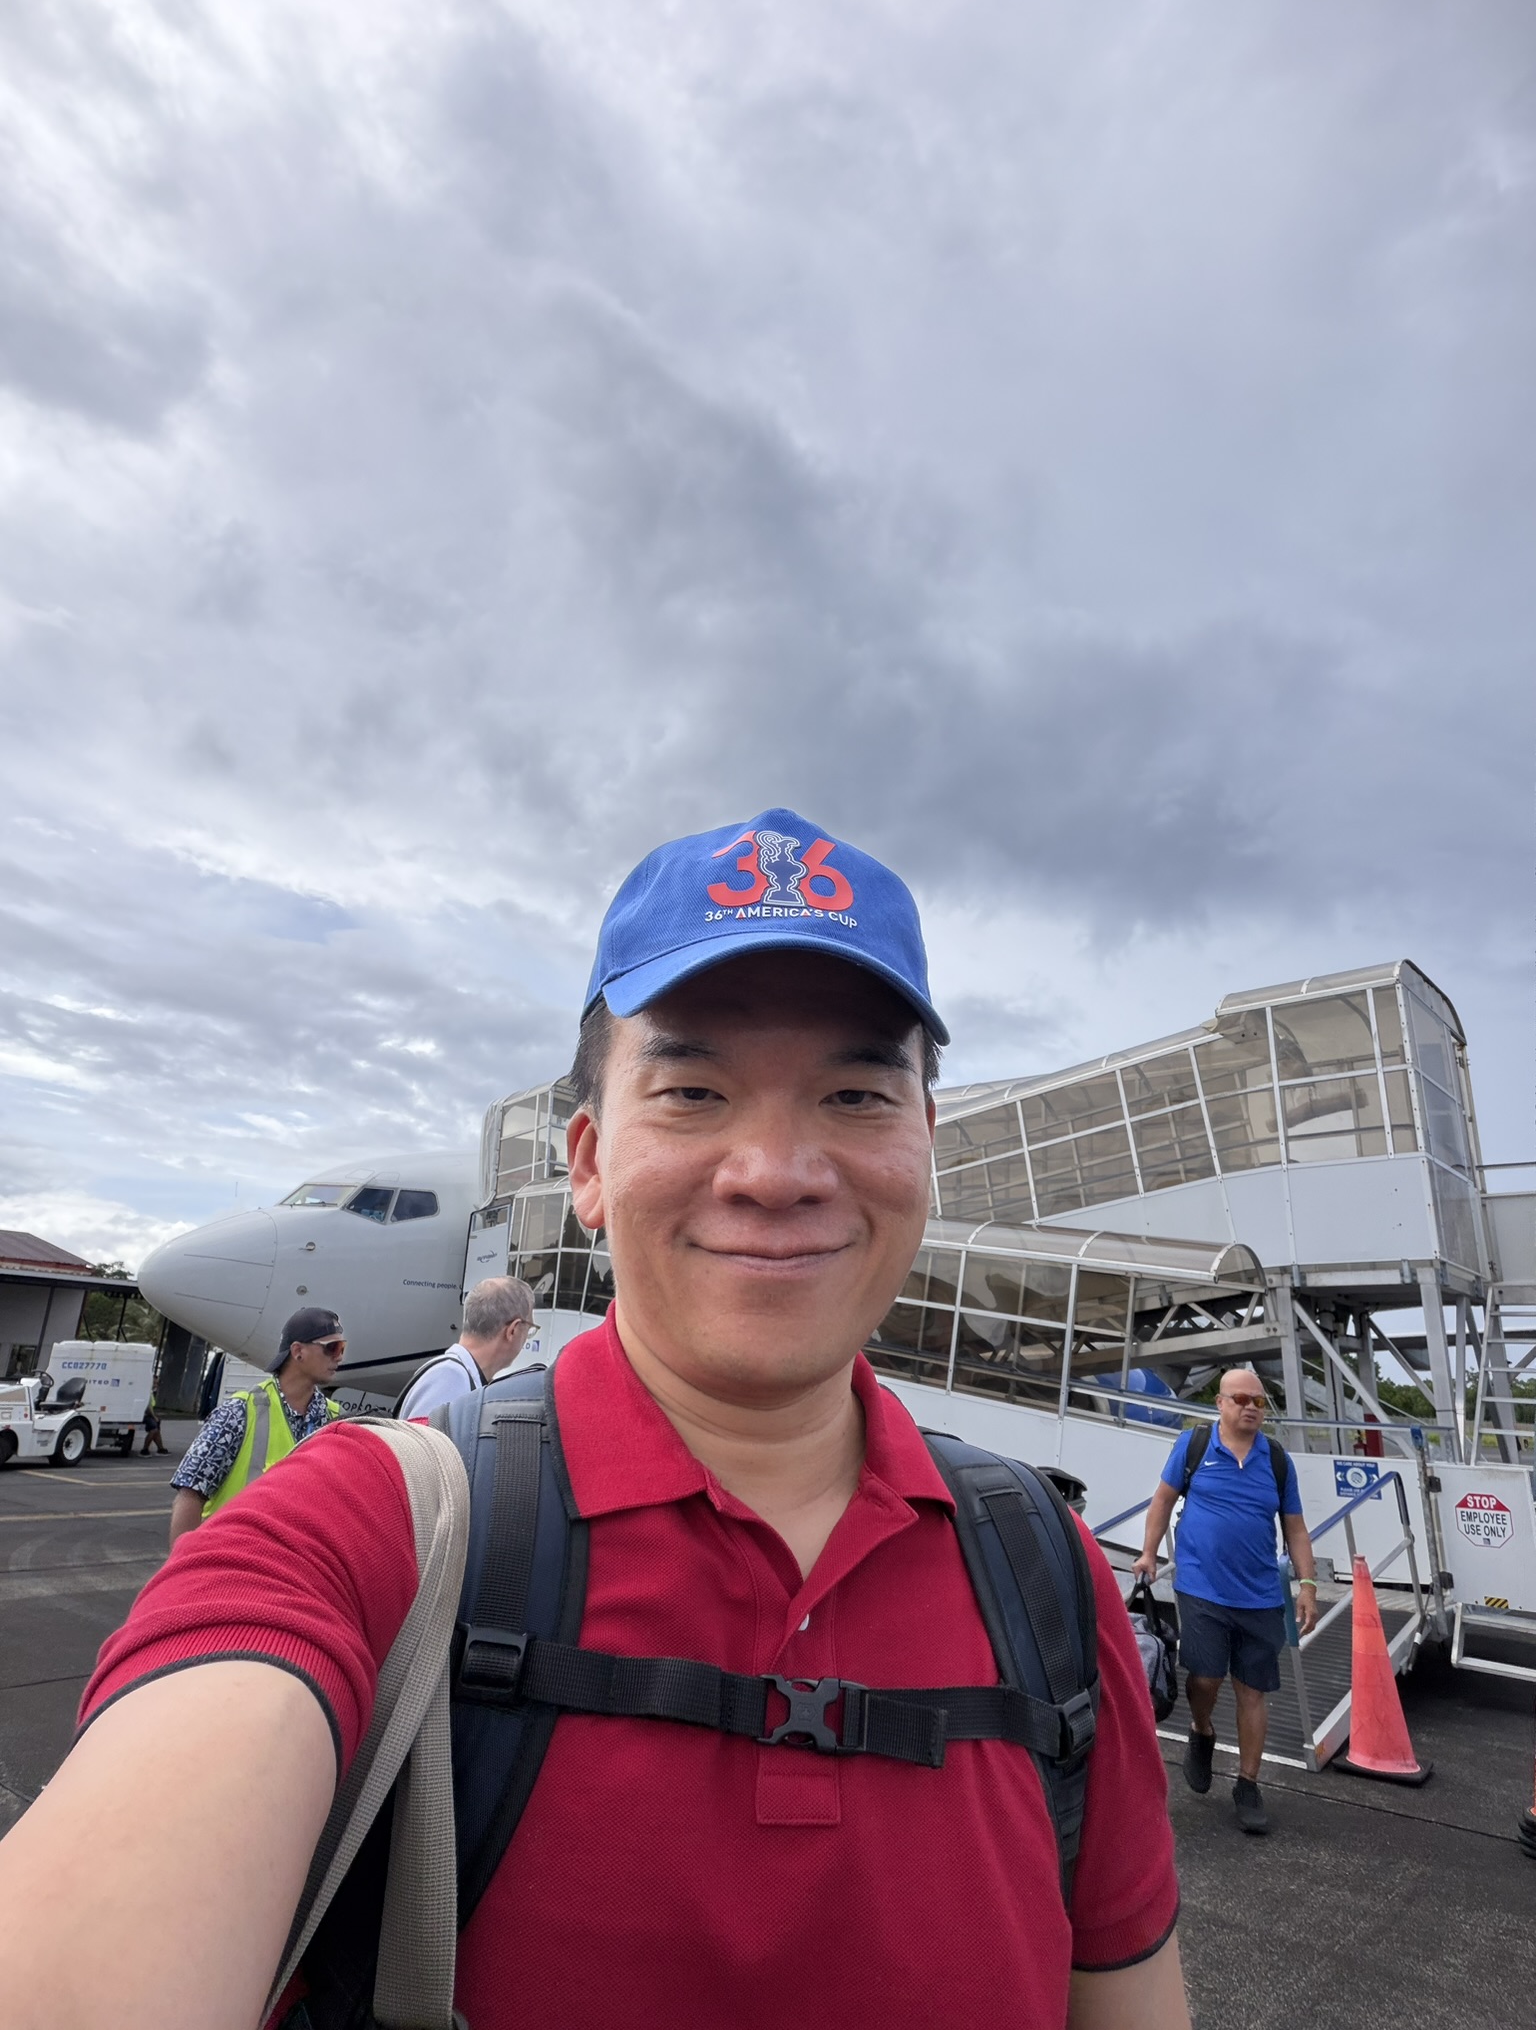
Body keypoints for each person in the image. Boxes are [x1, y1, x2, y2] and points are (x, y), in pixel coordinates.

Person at [0, 810, 1189, 2030]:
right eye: (692, 1089)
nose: (775, 1167)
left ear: (924, 1146)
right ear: (585, 1163)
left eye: (853, 1090)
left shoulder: (1045, 1580)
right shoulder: (375, 1531)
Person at [1133, 1367, 1319, 1834]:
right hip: (1200, 1587)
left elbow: (1294, 1526)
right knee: (1206, 1677)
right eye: (1241, 1399)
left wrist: (1309, 1585)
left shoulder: (1277, 1460)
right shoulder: (1194, 1447)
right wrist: (1149, 1553)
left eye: (1259, 1400)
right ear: (1220, 1403)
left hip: (1259, 1594)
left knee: (1252, 1690)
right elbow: (1161, 1500)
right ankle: (1202, 1730)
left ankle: (1248, 1784)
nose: (1252, 1407)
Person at [164, 1307, 347, 1545]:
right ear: (298, 1351)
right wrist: (183, 1570)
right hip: (227, 1561)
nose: (339, 1356)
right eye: (332, 1347)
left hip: (290, 1567)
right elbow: (190, 1495)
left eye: (342, 1348)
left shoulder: (335, 1421)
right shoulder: (239, 1413)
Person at [395, 1275, 538, 1419]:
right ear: (513, 1330)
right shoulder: (451, 1379)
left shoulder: (456, 1374)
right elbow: (425, 1441)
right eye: (529, 1329)